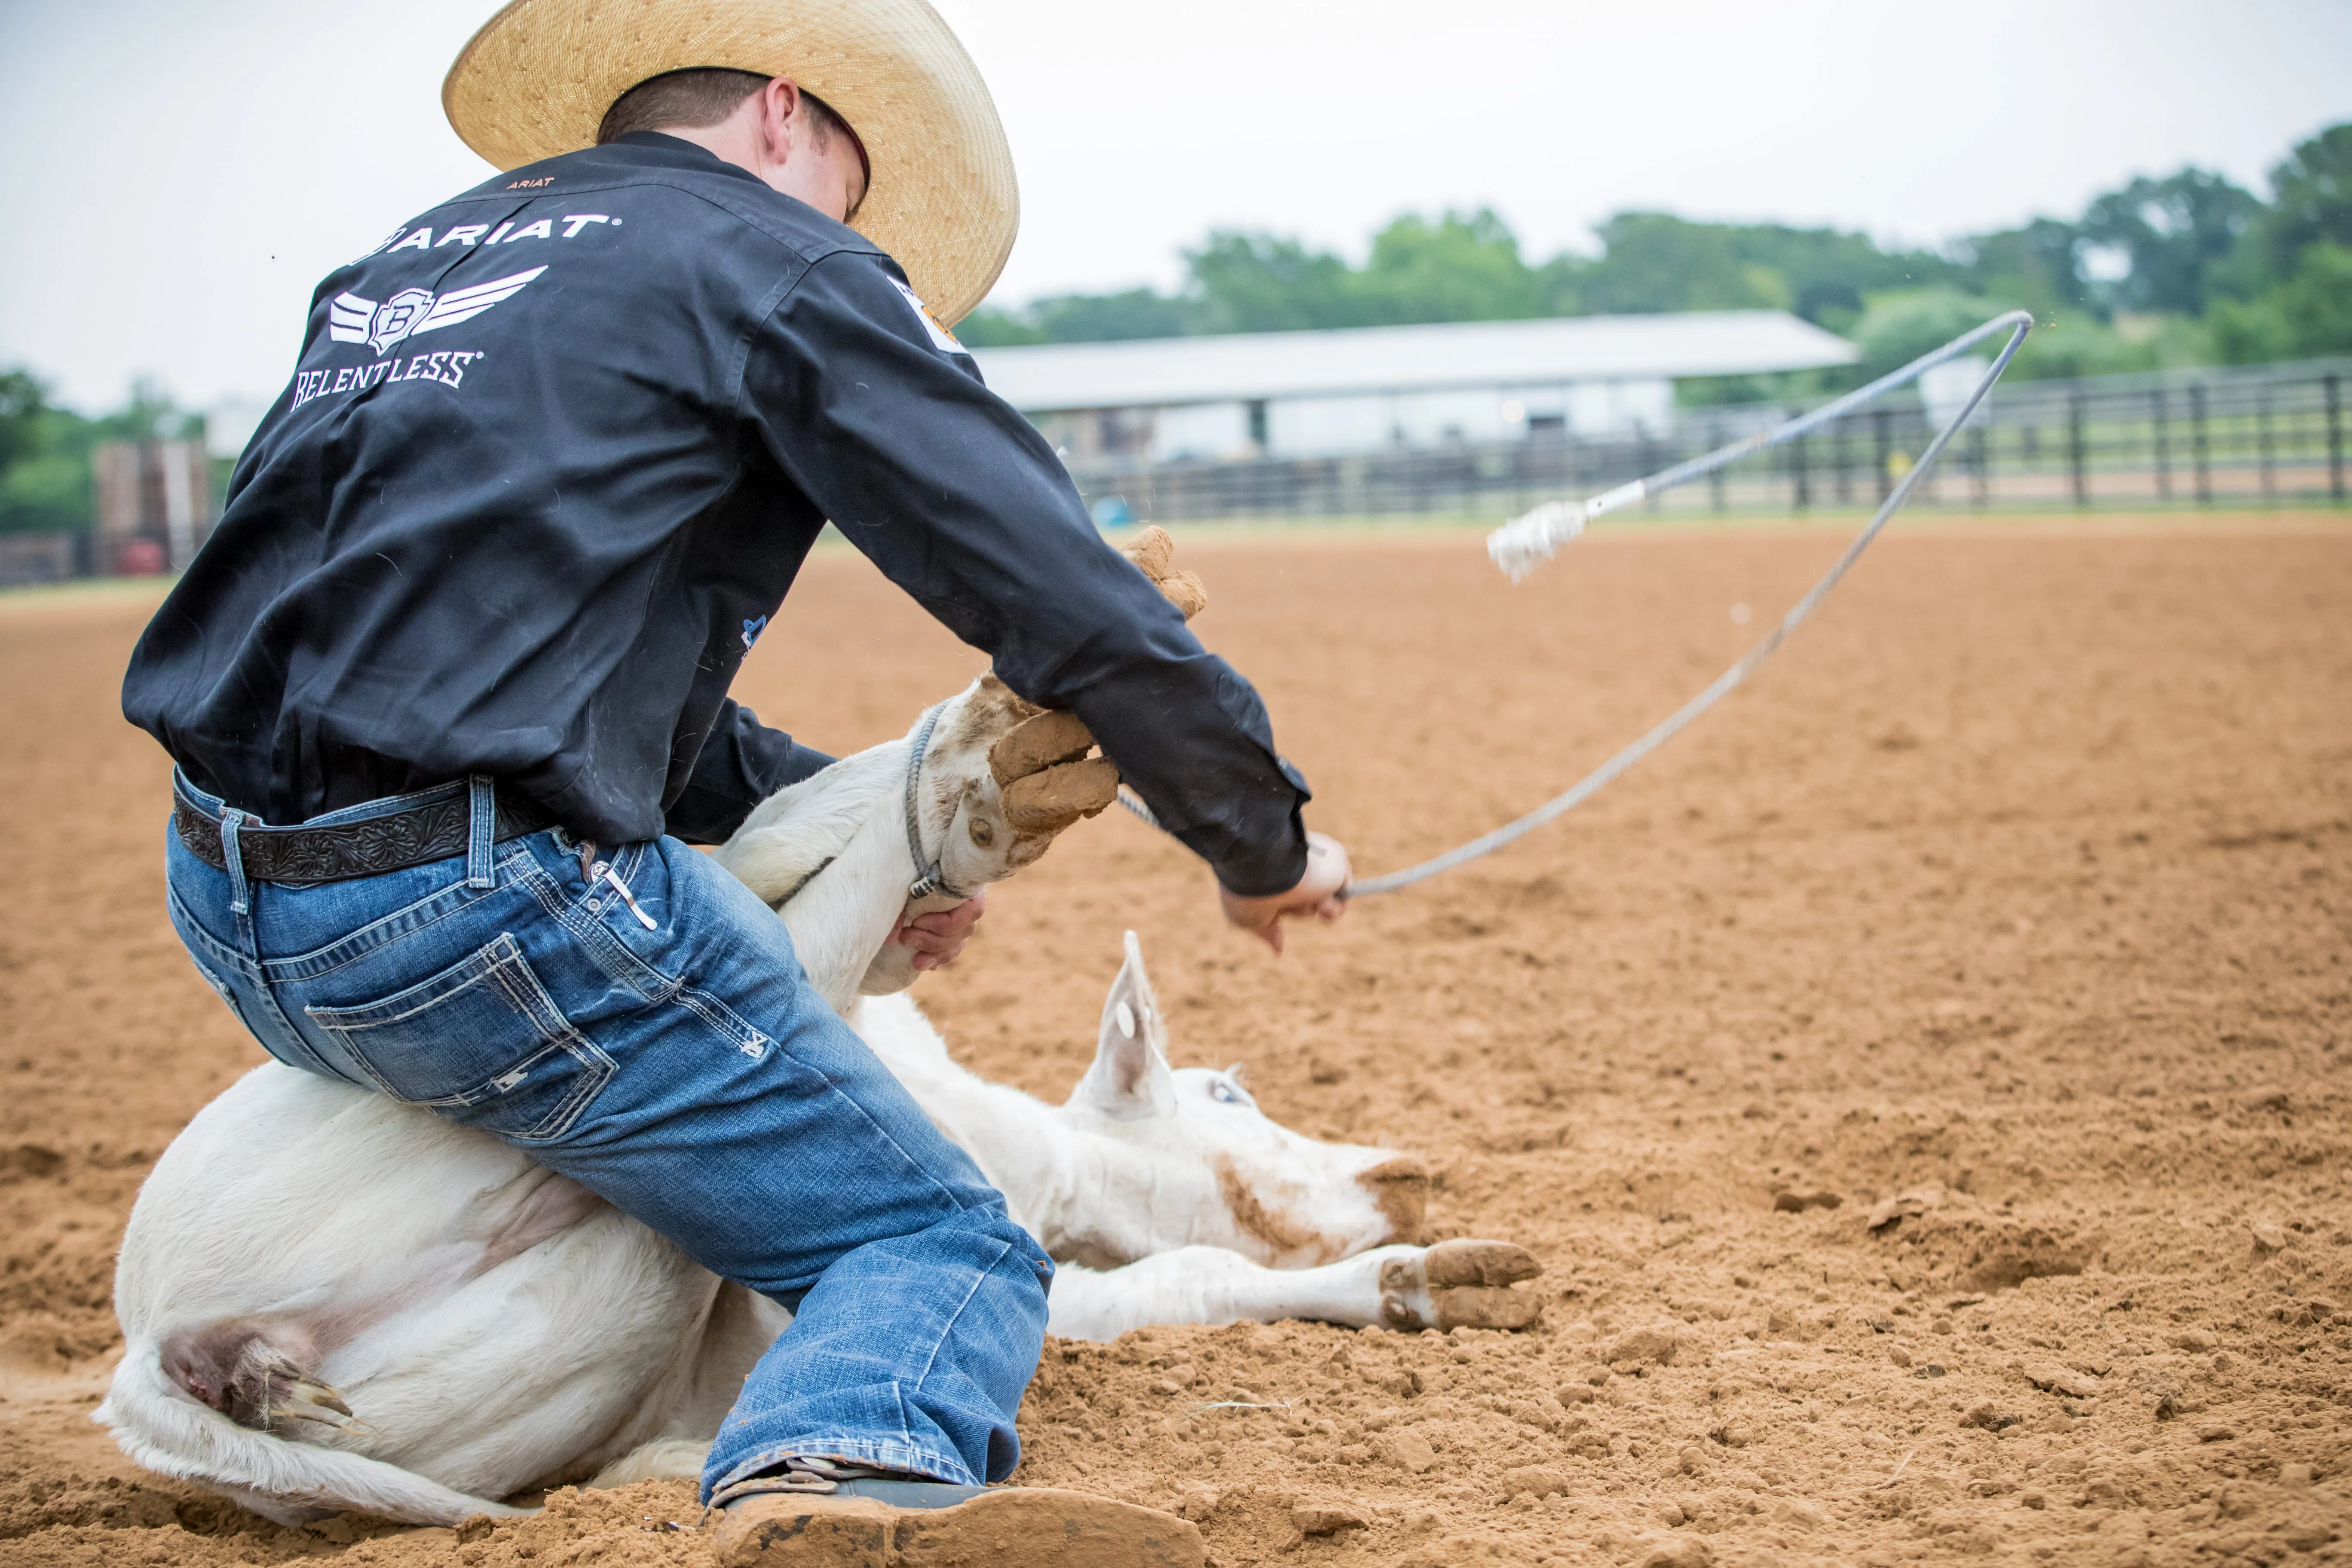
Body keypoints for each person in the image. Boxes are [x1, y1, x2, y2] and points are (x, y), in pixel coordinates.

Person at [120, 1, 1345, 1562]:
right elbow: (1049, 580)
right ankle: (837, 1469)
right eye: (854, 185)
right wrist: (1261, 838)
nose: (857, 230)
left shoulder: (408, 267)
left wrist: (864, 821)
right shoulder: (773, 259)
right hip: (468, 909)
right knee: (934, 1235)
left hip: (233, 900)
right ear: (785, 115)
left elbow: (493, 646)